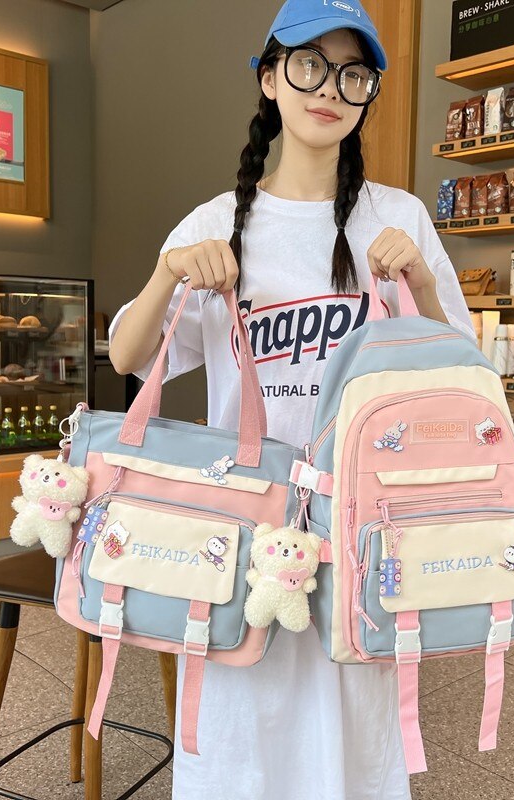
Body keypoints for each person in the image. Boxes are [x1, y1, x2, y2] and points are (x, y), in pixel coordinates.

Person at [108, 2, 475, 798]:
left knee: (354, 723)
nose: (331, 89)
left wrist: (417, 279)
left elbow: (459, 366)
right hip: (246, 524)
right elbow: (127, 356)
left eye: (354, 74)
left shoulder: (398, 217)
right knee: (241, 718)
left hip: (362, 519)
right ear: (270, 79)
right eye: (310, 65)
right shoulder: (218, 222)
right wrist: (169, 271)